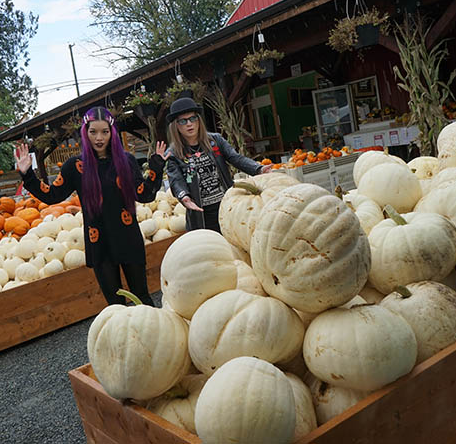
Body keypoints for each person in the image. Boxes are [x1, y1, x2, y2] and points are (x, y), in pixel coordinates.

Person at [14, 106, 170, 306]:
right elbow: (53, 195)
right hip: (99, 243)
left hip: (128, 237)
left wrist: (156, 167)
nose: (99, 137)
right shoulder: (75, 166)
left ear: (112, 132)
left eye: (104, 132)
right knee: (115, 306)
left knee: (142, 298)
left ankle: (152, 336)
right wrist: (27, 175)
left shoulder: (126, 161)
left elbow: (144, 195)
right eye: (93, 132)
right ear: (85, 133)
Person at [165, 97, 272, 232]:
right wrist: (183, 196)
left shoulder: (215, 140)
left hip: (227, 205)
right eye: (183, 121)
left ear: (198, 120)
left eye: (193, 118)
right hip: (201, 213)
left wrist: (258, 168)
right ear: (176, 126)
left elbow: (235, 158)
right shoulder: (173, 153)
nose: (189, 124)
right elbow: (175, 180)